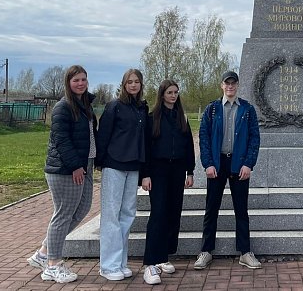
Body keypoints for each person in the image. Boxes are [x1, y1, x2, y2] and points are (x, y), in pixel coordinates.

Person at [26, 65, 96, 284]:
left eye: (84, 79)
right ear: (68, 82)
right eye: (76, 80)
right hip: (66, 169)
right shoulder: (63, 107)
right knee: (63, 213)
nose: (81, 83)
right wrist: (75, 165)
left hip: (86, 165)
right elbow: (61, 139)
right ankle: (53, 265)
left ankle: (44, 252)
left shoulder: (84, 105)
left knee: (82, 208)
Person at [194, 70, 261, 270]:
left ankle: (245, 252)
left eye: (233, 83)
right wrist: (208, 164)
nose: (230, 86)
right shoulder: (212, 109)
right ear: (222, 85)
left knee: (241, 210)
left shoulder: (247, 110)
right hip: (217, 164)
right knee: (211, 209)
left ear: (238, 85)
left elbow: (254, 139)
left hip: (239, 165)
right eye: (227, 83)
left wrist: (249, 163)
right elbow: (204, 138)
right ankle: (206, 251)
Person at [140, 79, 195, 285]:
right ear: (162, 94)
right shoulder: (152, 117)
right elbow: (146, 148)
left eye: (176, 92)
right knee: (158, 213)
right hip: (158, 170)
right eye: (170, 92)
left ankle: (163, 257)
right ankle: (150, 262)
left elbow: (188, 145)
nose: (173, 95)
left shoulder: (182, 117)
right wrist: (145, 174)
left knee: (173, 212)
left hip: (178, 170)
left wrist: (190, 171)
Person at [95, 68, 148, 281]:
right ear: (124, 84)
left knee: (127, 215)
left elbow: (143, 141)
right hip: (114, 165)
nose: (133, 85)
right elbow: (103, 136)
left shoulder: (141, 109)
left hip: (133, 167)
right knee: (111, 216)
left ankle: (120, 262)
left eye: (136, 81)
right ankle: (108, 266)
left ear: (141, 84)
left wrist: (144, 170)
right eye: (129, 82)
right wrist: (101, 163)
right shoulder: (114, 107)